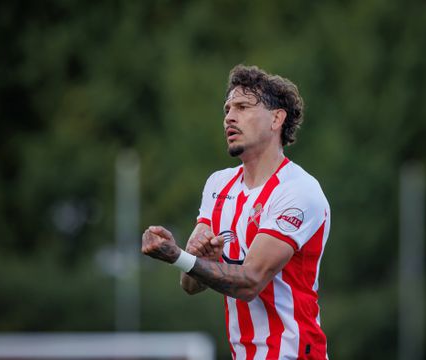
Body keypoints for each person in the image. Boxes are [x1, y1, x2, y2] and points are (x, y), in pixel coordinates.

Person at [142, 64, 331, 359]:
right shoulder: (219, 185)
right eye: (227, 108)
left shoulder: (298, 190)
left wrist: (176, 255)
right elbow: (190, 284)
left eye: (243, 106)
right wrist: (198, 258)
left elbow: (250, 282)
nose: (229, 117)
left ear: (276, 119)